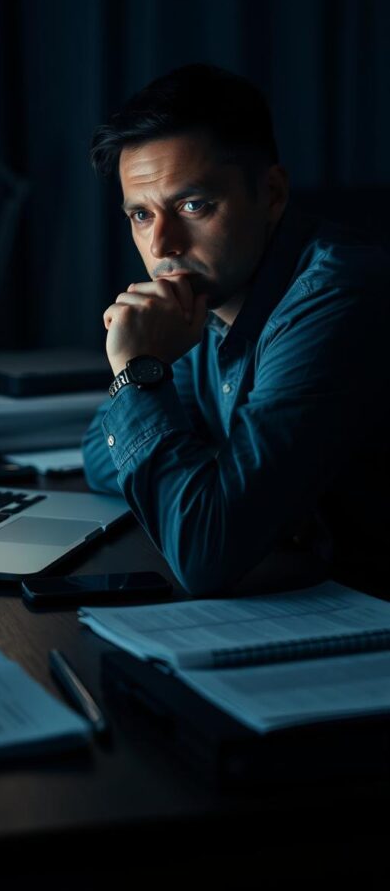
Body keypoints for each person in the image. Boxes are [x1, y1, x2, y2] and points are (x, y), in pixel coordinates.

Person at [82, 63, 390, 597]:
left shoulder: (335, 295)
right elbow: (97, 457)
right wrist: (230, 485)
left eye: (193, 205)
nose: (162, 246)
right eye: (141, 216)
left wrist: (138, 374)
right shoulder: (197, 306)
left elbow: (205, 555)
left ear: (271, 194)